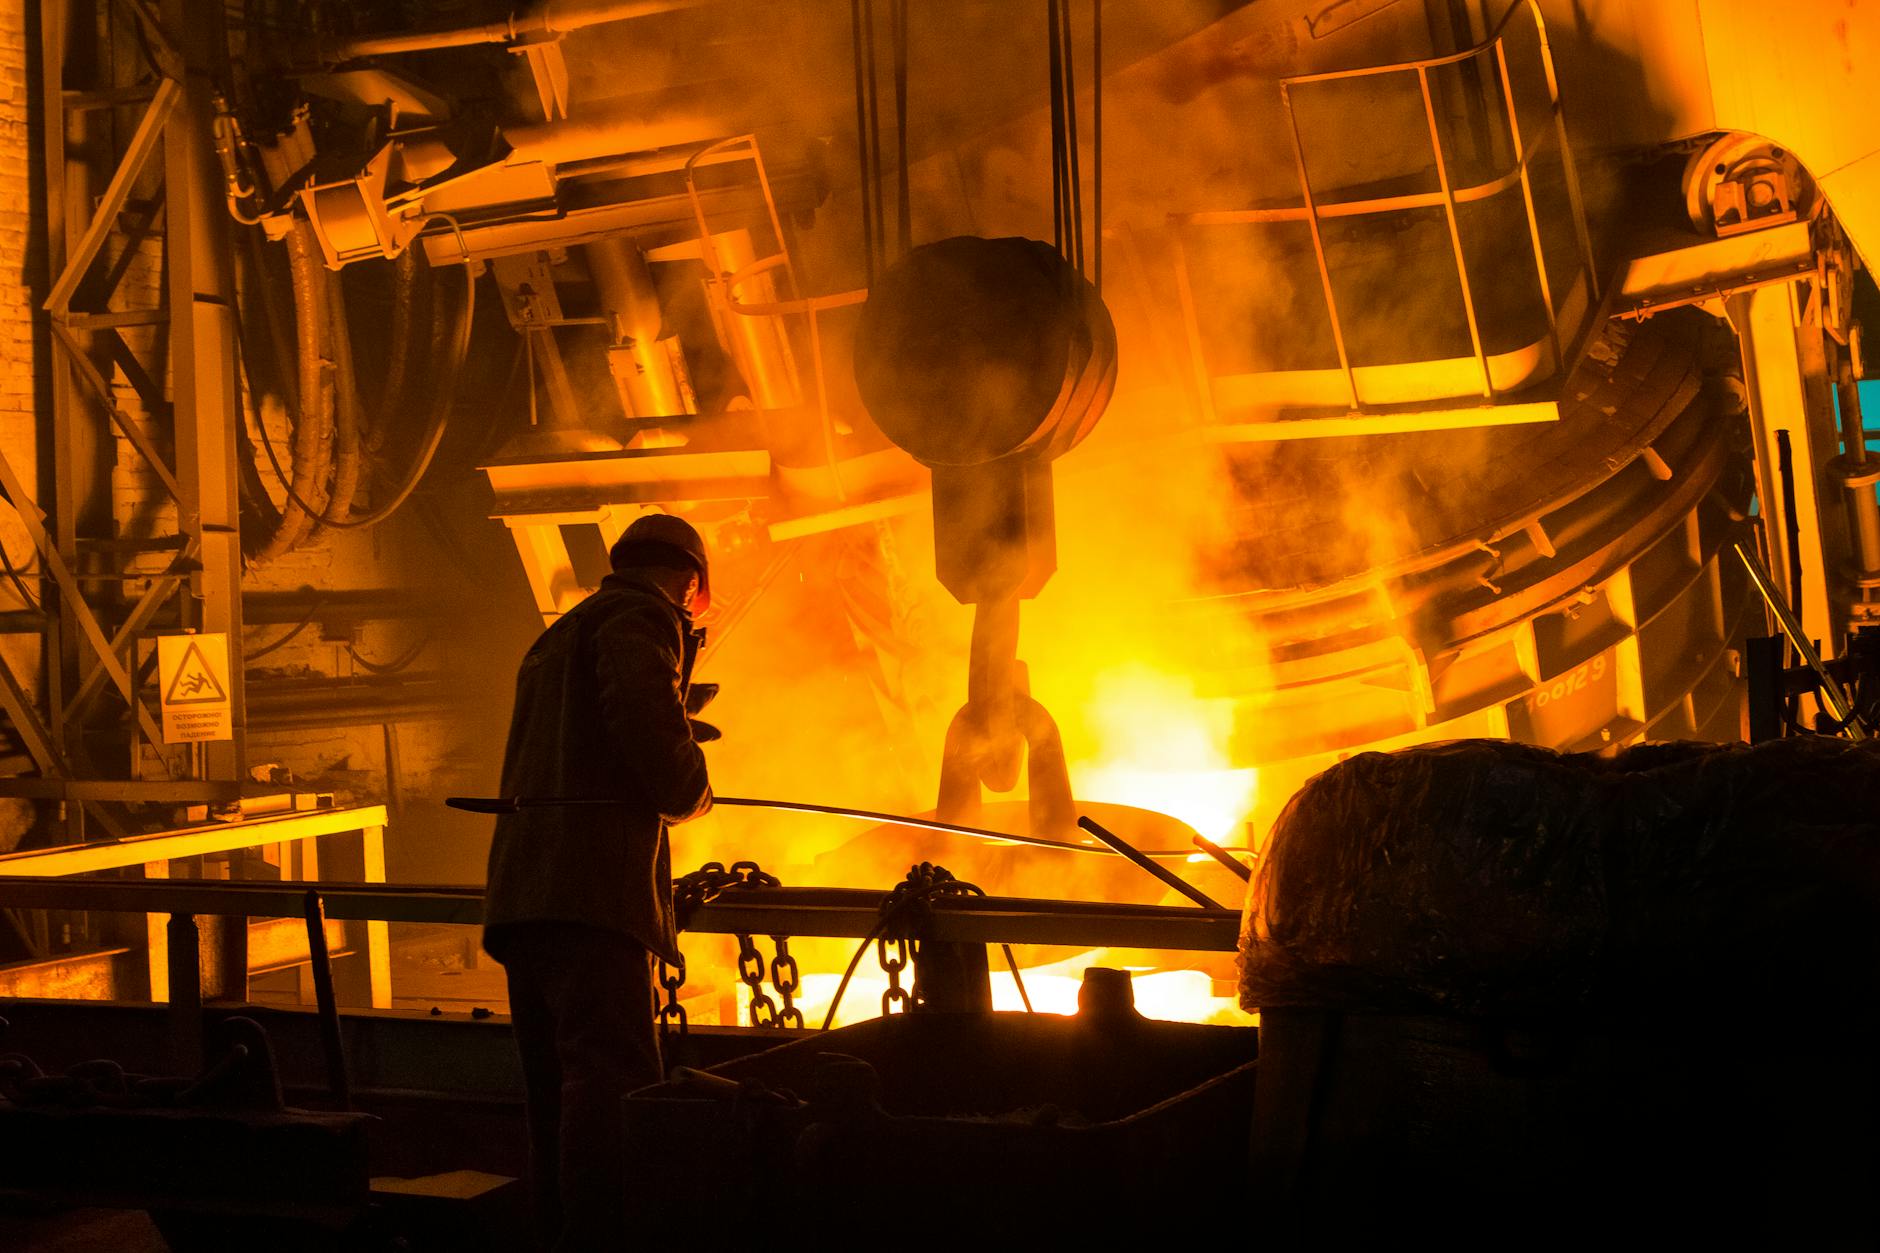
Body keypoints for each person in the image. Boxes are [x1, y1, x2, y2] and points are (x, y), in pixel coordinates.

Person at [482, 512, 715, 1251]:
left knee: (552, 1099)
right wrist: (691, 776)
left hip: (526, 897)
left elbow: (584, 732)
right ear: (689, 584)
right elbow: (660, 759)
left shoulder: (559, 634)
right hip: (593, 900)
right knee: (610, 1091)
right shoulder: (643, 614)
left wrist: (669, 712)